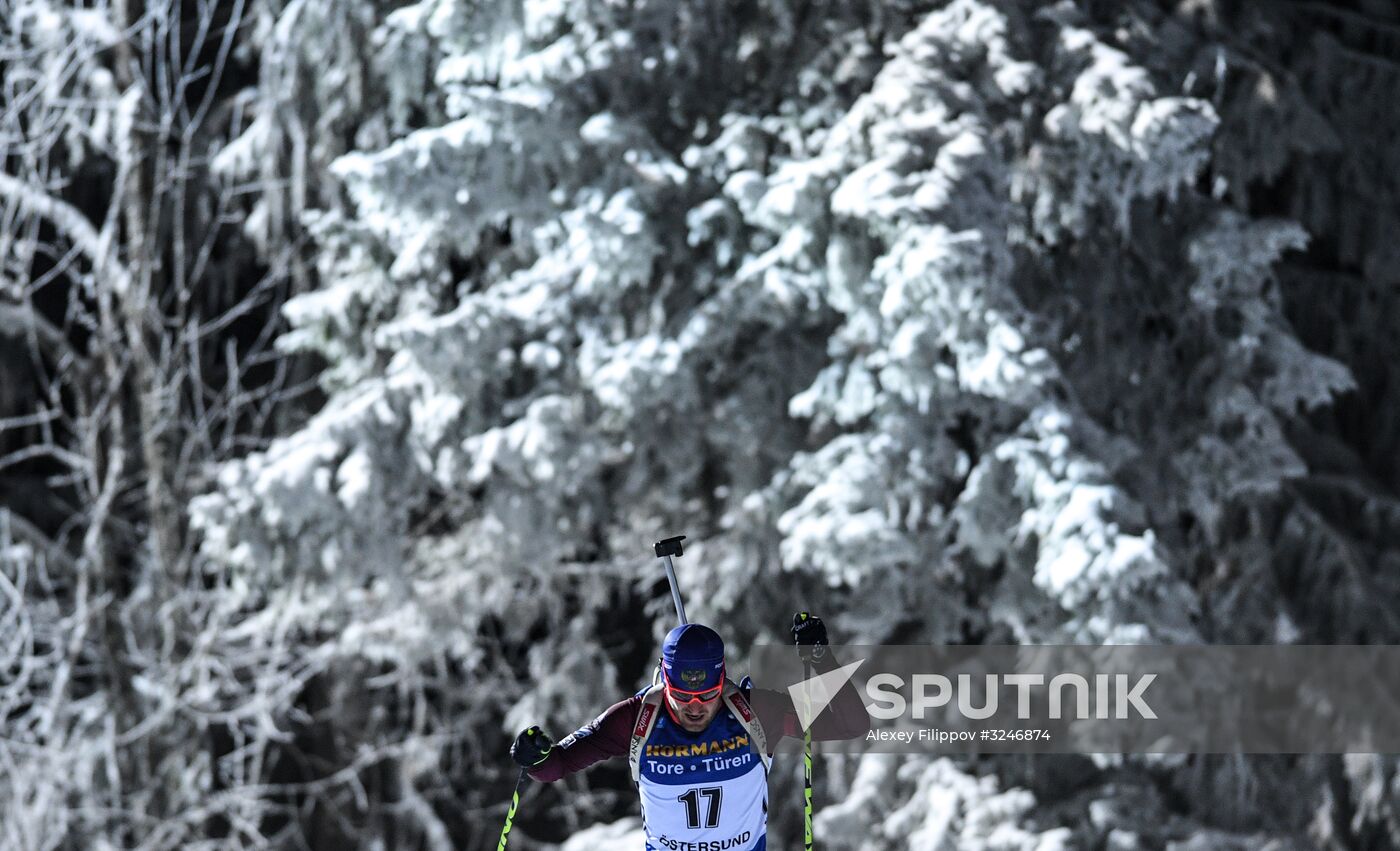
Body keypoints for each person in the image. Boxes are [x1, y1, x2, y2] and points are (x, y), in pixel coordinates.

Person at [510, 613, 869, 851]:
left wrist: (821, 658)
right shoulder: (637, 719)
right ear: (665, 679)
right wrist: (534, 756)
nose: (695, 707)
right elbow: (554, 766)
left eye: (707, 695)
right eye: (681, 696)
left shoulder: (755, 712)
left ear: (722, 678)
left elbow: (851, 724)